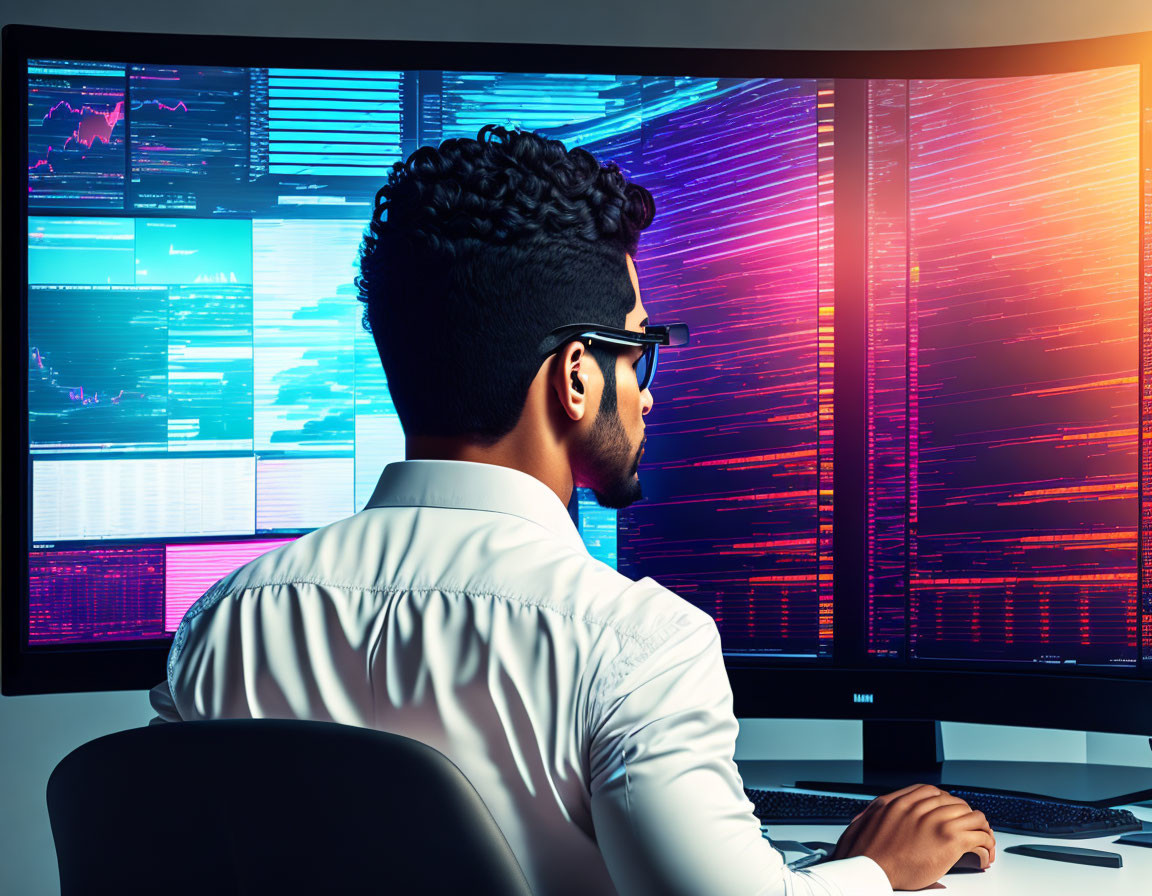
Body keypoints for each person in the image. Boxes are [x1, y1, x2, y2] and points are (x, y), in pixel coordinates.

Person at [159, 125, 995, 894]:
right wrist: (873, 869)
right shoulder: (635, 646)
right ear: (577, 377)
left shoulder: (222, 627)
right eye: (639, 352)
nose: (648, 397)